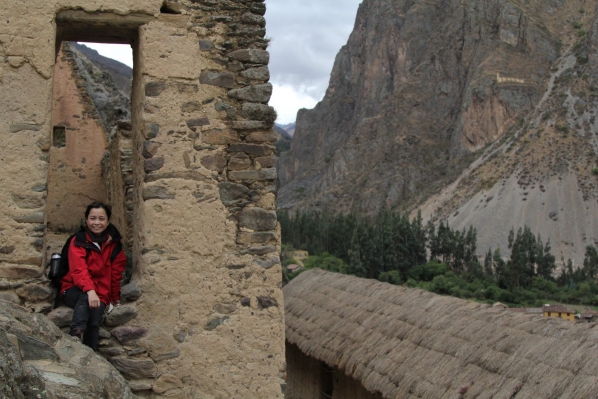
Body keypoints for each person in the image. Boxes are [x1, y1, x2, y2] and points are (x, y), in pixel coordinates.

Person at [60, 202, 126, 351]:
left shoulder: (114, 246)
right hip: (73, 288)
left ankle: (90, 354)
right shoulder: (78, 241)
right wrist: (90, 291)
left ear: (108, 221)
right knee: (84, 299)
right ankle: (76, 337)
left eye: (101, 219)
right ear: (86, 220)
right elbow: (78, 270)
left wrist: (115, 298)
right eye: (93, 218)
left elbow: (115, 275)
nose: (97, 223)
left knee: (95, 319)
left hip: (100, 293)